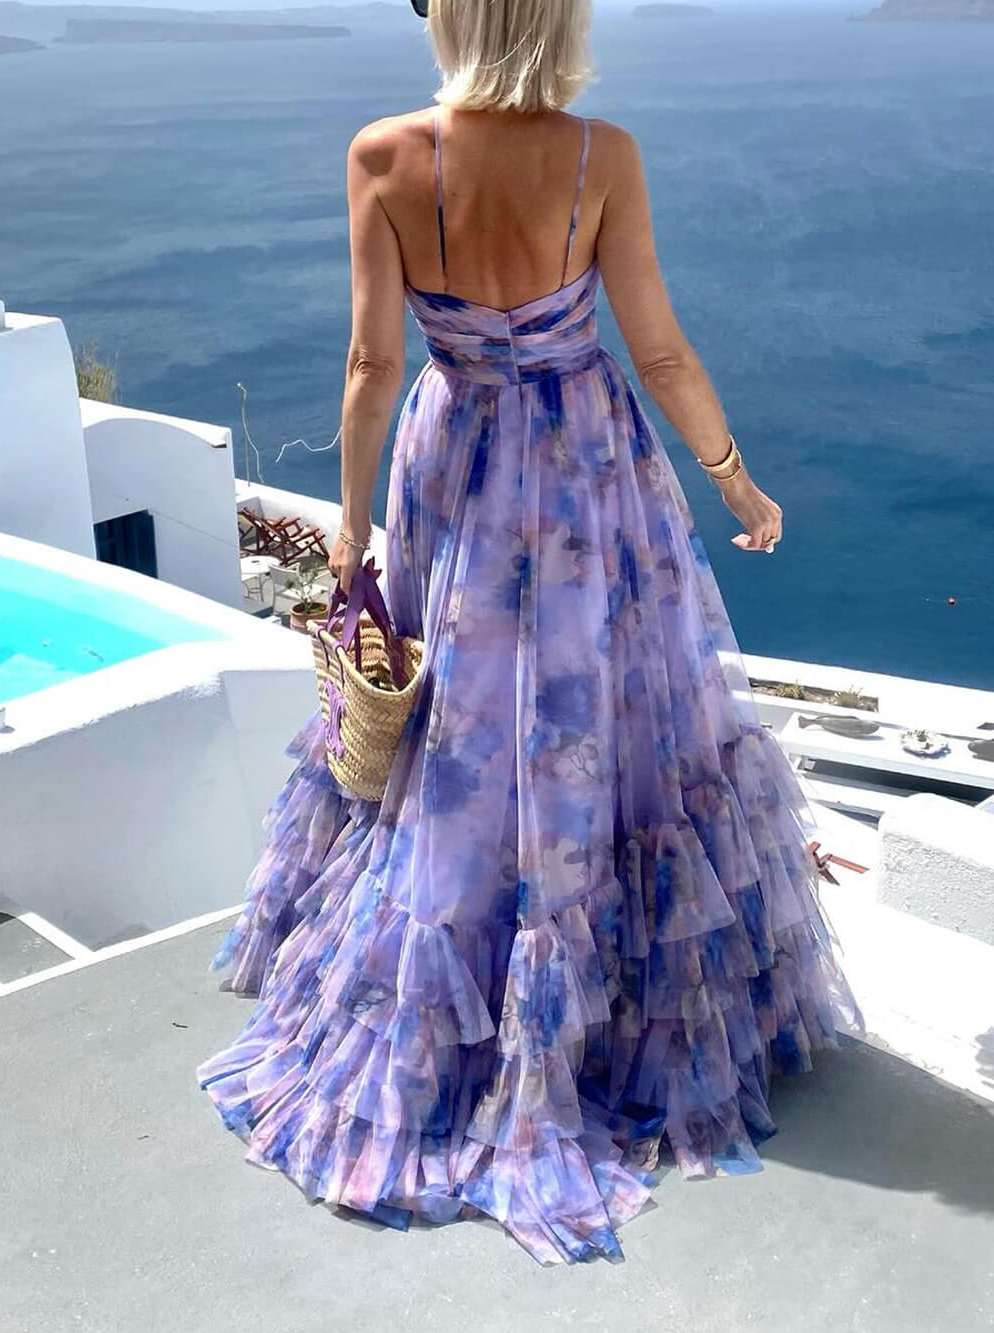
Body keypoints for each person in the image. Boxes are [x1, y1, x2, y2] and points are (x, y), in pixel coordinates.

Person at [198, 0, 862, 1268]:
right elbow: (658, 353)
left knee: (460, 732)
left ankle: (445, 1019)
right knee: (601, 710)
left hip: (453, 456)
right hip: (582, 466)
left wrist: (350, 528)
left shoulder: (382, 154)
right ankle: (607, 1016)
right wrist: (733, 478)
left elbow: (369, 367)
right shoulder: (600, 153)